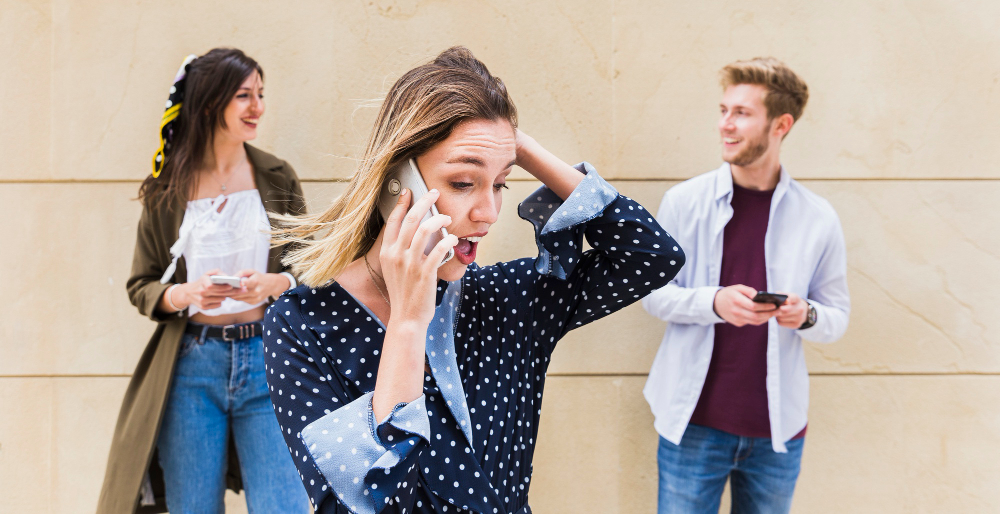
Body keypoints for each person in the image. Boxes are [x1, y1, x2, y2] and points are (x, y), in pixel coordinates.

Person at [263, 46, 685, 514]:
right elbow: (359, 502)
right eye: (464, 183)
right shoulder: (301, 323)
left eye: (501, 183)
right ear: (397, 182)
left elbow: (651, 255)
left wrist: (513, 145)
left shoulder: (505, 299)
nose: (488, 213)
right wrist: (407, 324)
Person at [97, 48, 309, 513]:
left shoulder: (276, 176)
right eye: (243, 95)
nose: (258, 106)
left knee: (285, 506)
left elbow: (309, 268)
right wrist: (186, 294)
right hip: (192, 366)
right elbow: (142, 283)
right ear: (211, 103)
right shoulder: (167, 187)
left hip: (266, 361)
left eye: (260, 94)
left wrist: (274, 285)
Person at [642, 57, 850, 513]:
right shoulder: (684, 202)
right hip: (692, 426)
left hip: (778, 433)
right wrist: (713, 301)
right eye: (723, 110)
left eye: (742, 113)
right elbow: (653, 296)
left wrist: (806, 314)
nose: (726, 125)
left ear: (781, 124)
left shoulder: (818, 218)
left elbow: (836, 315)